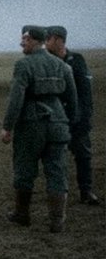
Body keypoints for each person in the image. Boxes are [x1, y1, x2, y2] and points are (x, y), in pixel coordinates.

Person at [0, 25, 78, 232]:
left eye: (25, 39)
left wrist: (7, 127)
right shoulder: (63, 66)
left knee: (25, 169)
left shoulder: (23, 65)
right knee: (57, 171)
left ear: (35, 40)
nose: (21, 43)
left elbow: (16, 99)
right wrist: (67, 121)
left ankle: (22, 214)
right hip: (58, 124)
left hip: (31, 125)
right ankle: (57, 221)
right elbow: (72, 100)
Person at [44, 25, 99, 206]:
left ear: (59, 39)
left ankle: (86, 190)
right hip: (55, 119)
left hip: (76, 119)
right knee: (55, 158)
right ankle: (59, 192)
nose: (46, 43)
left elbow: (85, 92)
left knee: (83, 155)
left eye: (48, 39)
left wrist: (83, 118)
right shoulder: (46, 61)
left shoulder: (76, 60)